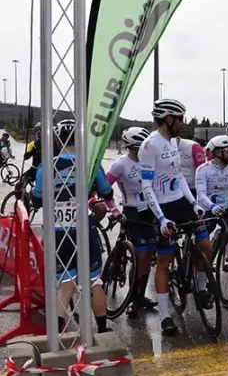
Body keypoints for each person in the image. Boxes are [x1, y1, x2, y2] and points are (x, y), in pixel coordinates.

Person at [33, 119, 112, 335]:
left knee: (65, 285)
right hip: (83, 228)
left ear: (58, 141)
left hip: (58, 231)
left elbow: (37, 200)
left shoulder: (46, 166)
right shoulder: (90, 162)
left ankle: (57, 337)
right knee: (93, 280)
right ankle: (103, 332)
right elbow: (107, 192)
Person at [139, 98, 211, 336]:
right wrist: (161, 219)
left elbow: (179, 177)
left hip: (180, 201)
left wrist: (194, 203)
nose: (183, 123)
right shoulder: (150, 146)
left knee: (204, 242)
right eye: (180, 119)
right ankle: (165, 316)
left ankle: (201, 287)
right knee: (164, 262)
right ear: (169, 119)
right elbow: (147, 187)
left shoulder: (173, 143)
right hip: (162, 206)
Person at [105, 127, 158, 318]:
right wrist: (113, 210)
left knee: (148, 256)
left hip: (150, 212)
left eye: (143, 147)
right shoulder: (121, 164)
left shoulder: (150, 161)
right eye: (136, 148)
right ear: (129, 147)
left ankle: (140, 296)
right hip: (132, 212)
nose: (140, 151)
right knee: (140, 256)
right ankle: (132, 299)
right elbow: (104, 187)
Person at [195, 135, 228, 257]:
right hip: (206, 209)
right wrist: (212, 206)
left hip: (224, 208)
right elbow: (201, 194)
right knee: (201, 247)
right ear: (217, 152)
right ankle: (201, 273)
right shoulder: (202, 170)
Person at [173, 134, 205, 198]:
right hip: (175, 189)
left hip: (193, 189)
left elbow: (202, 170)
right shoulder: (165, 147)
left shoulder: (193, 146)